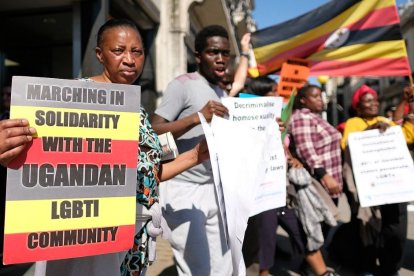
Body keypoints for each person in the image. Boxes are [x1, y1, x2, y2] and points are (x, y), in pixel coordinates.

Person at [0, 18, 209, 276]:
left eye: (137, 51)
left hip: (133, 243)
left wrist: (197, 155)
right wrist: (9, 148)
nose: (130, 60)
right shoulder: (73, 98)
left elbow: (148, 176)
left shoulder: (139, 111)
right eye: (118, 51)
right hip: (89, 242)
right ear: (100, 55)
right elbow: (37, 160)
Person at [151, 25, 232, 276]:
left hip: (214, 188)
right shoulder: (182, 85)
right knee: (197, 268)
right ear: (198, 56)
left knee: (224, 266)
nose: (220, 59)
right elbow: (153, 132)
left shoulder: (221, 90)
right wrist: (196, 118)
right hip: (182, 188)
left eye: (225, 53)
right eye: (213, 52)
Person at [341, 84, 408, 276]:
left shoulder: (384, 120)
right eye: (368, 101)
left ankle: (390, 268)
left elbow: (402, 135)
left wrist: (405, 102)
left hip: (393, 185)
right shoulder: (353, 122)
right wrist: (370, 129)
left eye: (376, 100)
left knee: (395, 230)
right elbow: (347, 143)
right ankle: (367, 266)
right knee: (368, 229)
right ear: (358, 106)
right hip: (368, 188)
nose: (374, 103)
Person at [289, 85, 342, 205]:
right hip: (320, 182)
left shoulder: (313, 117)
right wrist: (325, 177)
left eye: (320, 96)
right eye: (315, 96)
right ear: (303, 100)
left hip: (329, 178)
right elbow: (307, 151)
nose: (320, 99)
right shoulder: (302, 118)